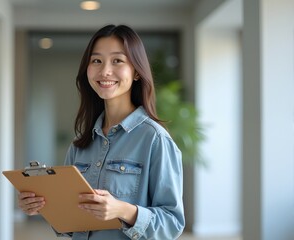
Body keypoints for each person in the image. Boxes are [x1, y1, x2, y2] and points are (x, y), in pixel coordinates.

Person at [18, 24, 185, 240]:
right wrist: (44, 207)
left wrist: (123, 210)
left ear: (136, 71)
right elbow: (70, 225)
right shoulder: (80, 145)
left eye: (117, 60)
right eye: (96, 60)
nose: (105, 71)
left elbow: (172, 224)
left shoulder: (155, 139)